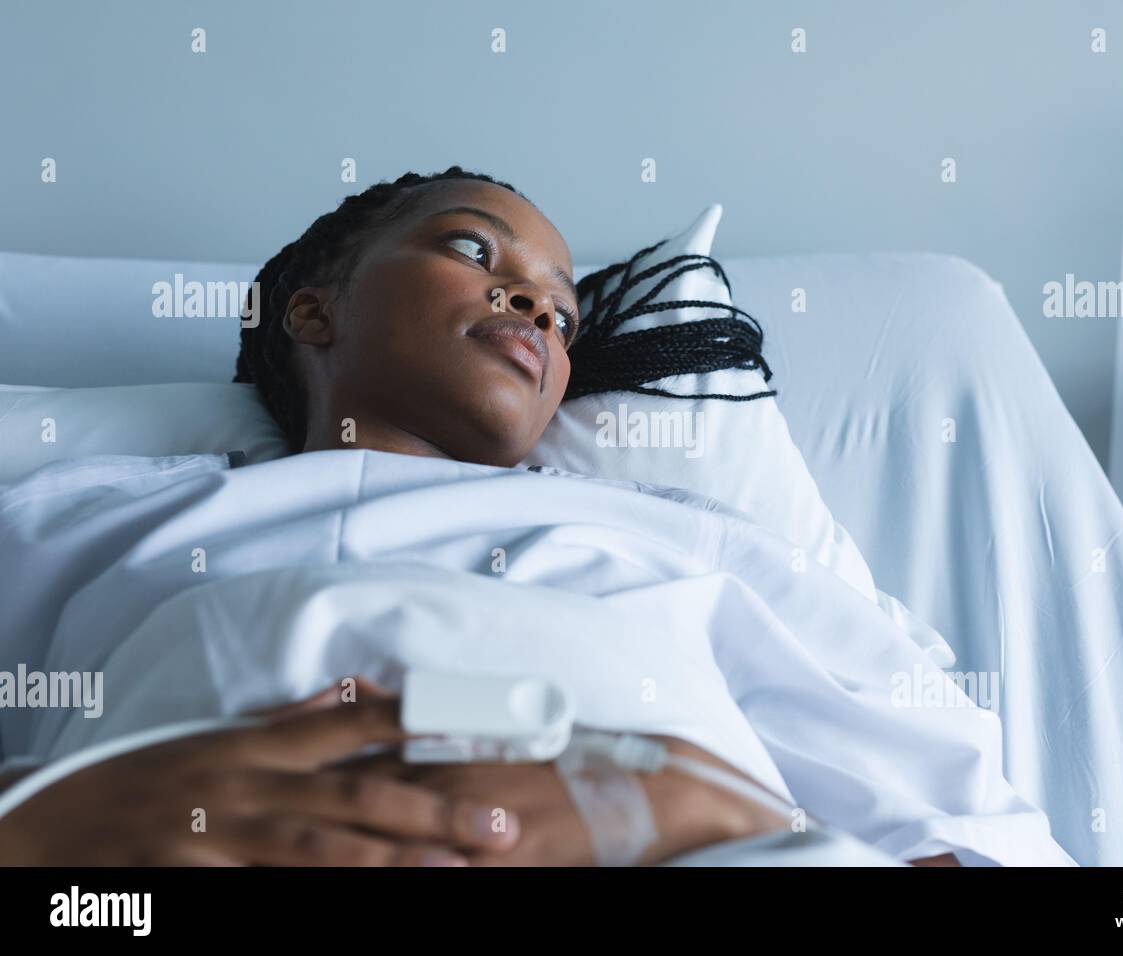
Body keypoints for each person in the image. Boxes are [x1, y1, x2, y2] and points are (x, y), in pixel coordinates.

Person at [0, 167, 957, 866]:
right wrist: (35, 832)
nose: (538, 307)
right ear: (311, 315)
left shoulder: (688, 539)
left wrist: (713, 816)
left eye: (565, 317)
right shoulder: (84, 520)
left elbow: (958, 830)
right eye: (472, 250)